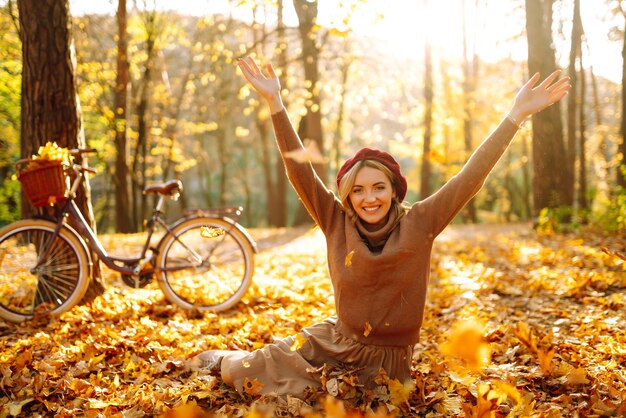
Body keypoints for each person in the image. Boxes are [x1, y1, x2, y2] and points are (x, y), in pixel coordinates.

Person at [187, 56, 570, 397]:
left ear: (393, 191)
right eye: (358, 190)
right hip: (334, 342)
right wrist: (276, 103)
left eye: (378, 188)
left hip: (389, 366)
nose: (369, 198)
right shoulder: (335, 220)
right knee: (248, 372)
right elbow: (299, 172)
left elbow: (469, 178)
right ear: (347, 196)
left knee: (319, 401)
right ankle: (222, 360)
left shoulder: (420, 222)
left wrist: (515, 116)